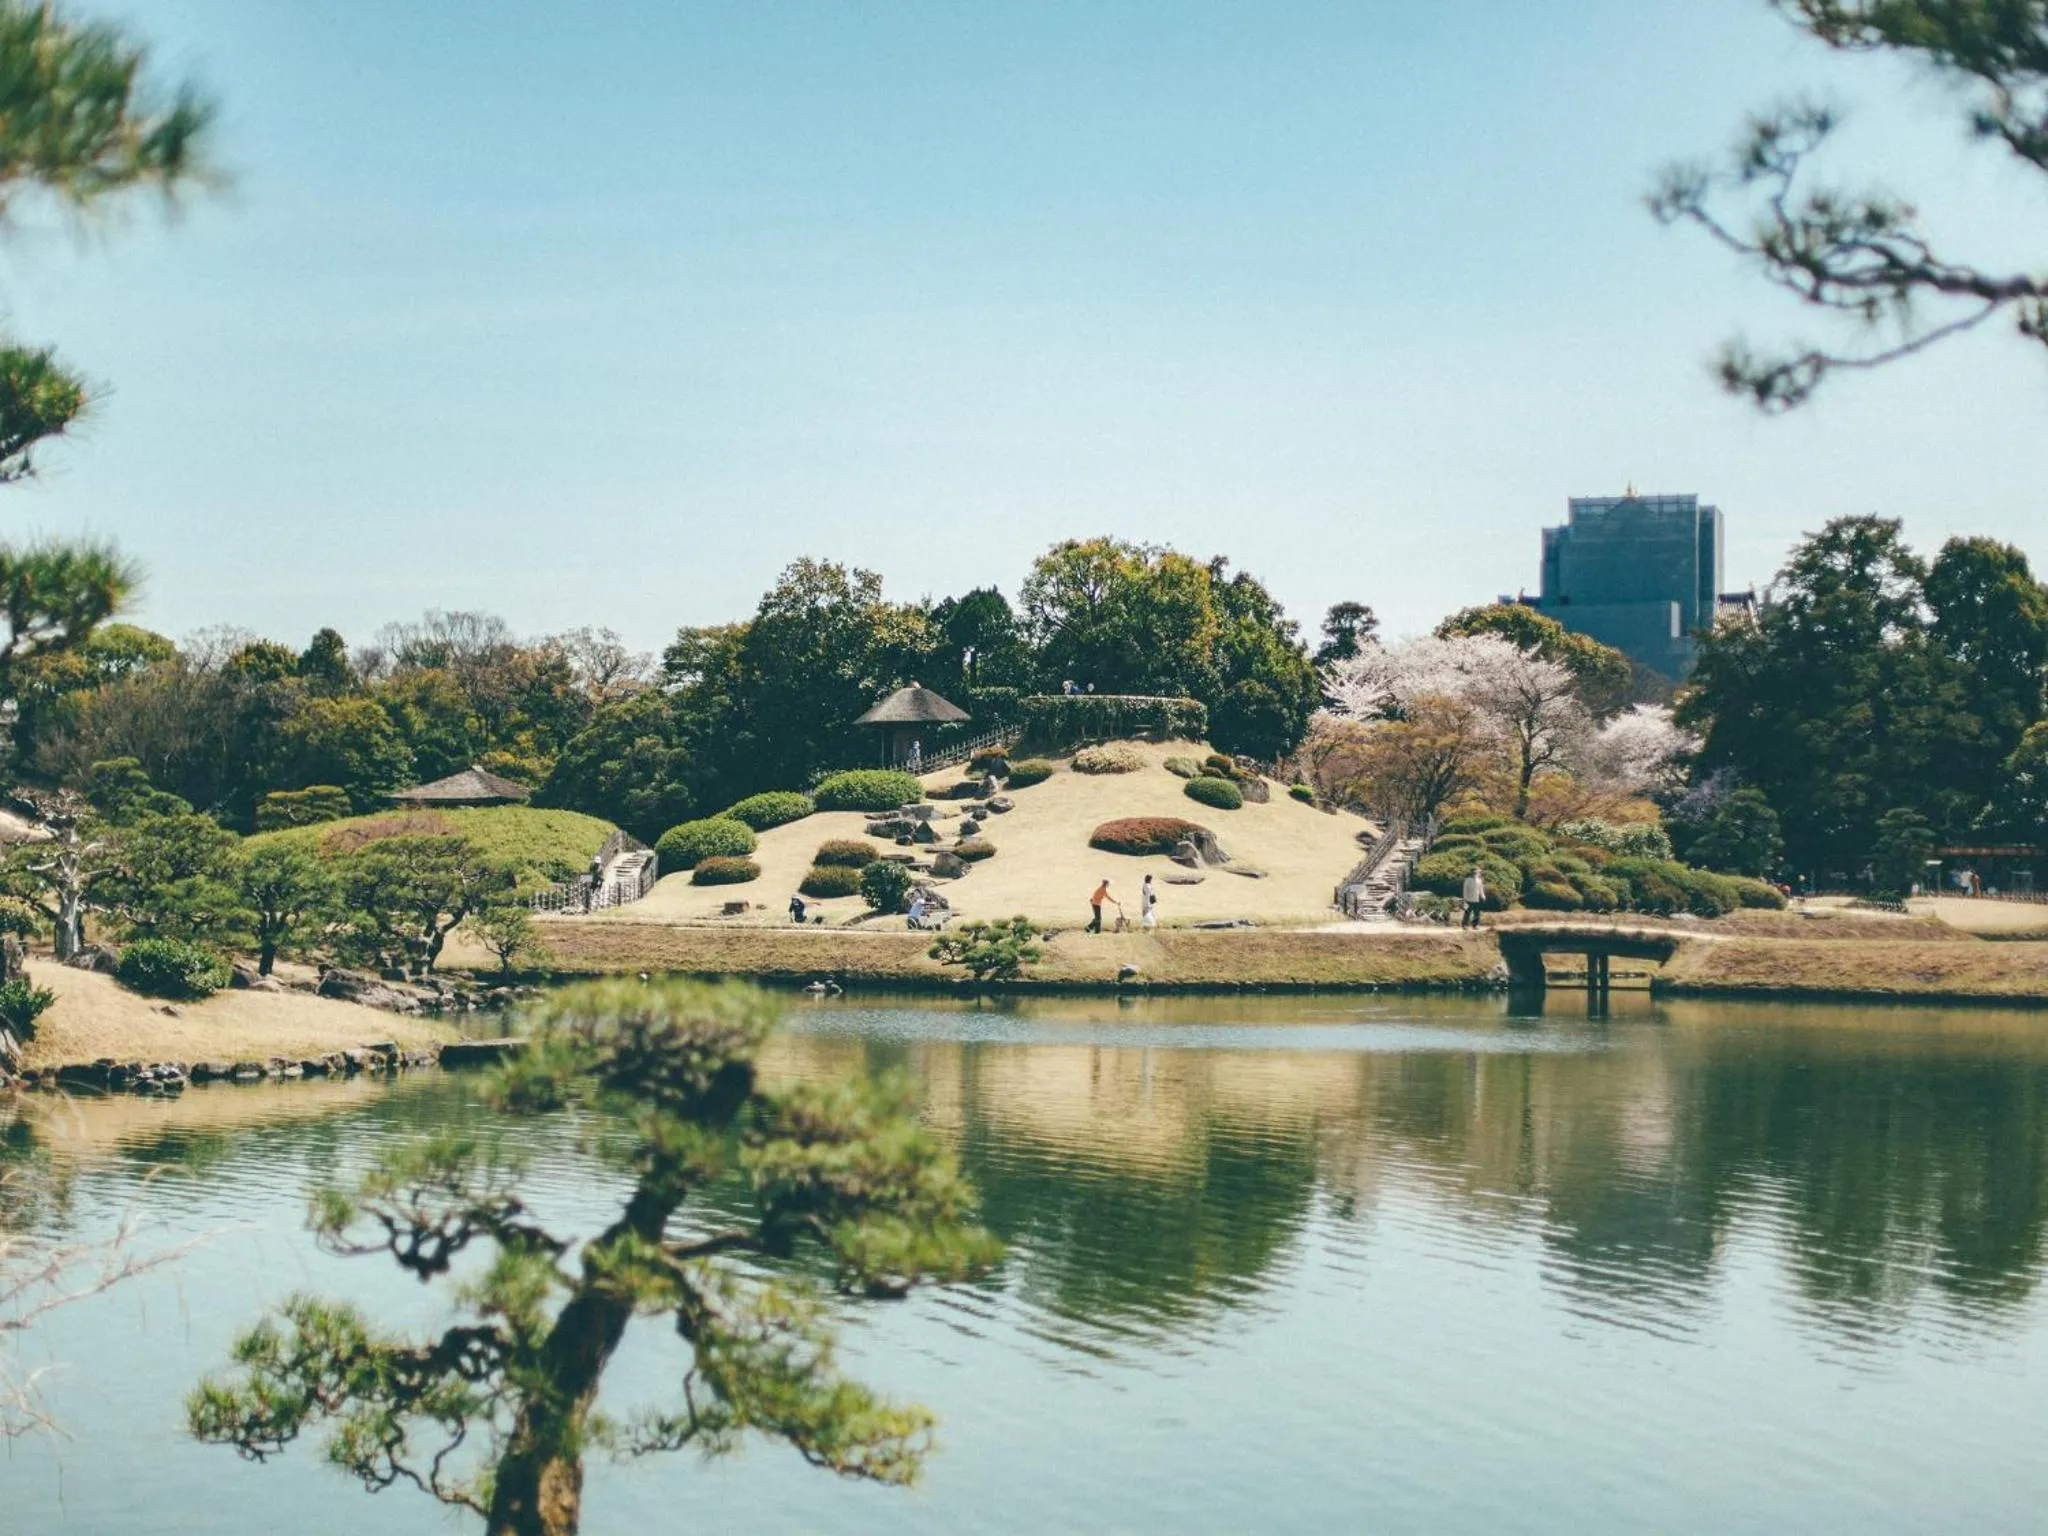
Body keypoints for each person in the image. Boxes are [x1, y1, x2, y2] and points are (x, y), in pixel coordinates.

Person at [1462, 864, 1487, 929]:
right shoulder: (1468, 880)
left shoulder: (1479, 880)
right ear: (1472, 872)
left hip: (1476, 899)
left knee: (1477, 913)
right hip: (1468, 899)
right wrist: (1464, 899)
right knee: (1467, 913)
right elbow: (1465, 890)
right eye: (1476, 872)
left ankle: (1475, 925)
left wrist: (1483, 896)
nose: (1477, 873)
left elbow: (1481, 889)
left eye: (1477, 872)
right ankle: (1464, 925)